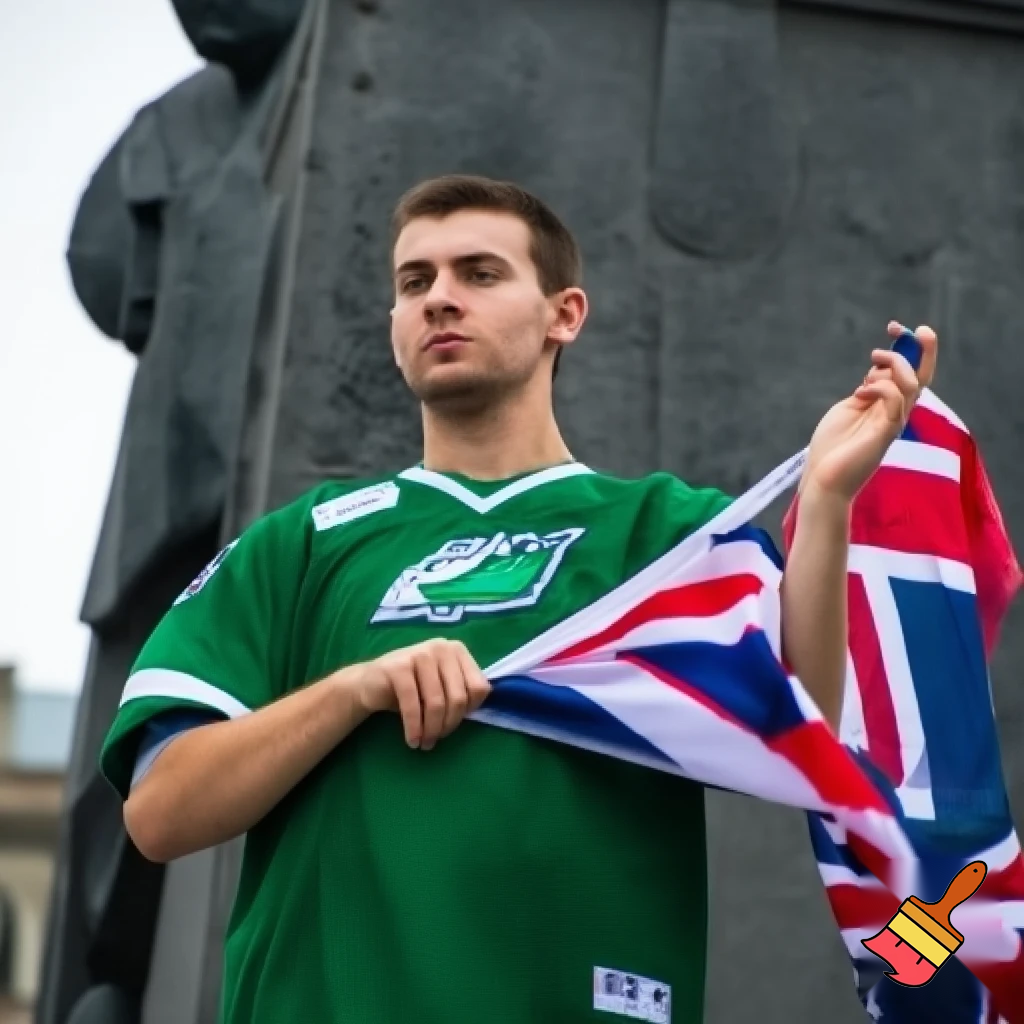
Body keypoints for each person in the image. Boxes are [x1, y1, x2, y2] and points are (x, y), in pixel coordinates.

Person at [100, 174, 938, 1023]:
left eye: (480, 273)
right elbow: (162, 811)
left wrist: (827, 501)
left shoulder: (664, 530)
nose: (440, 301)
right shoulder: (301, 542)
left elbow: (805, 731)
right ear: (392, 325)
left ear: (563, 314)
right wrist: (356, 688)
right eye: (414, 282)